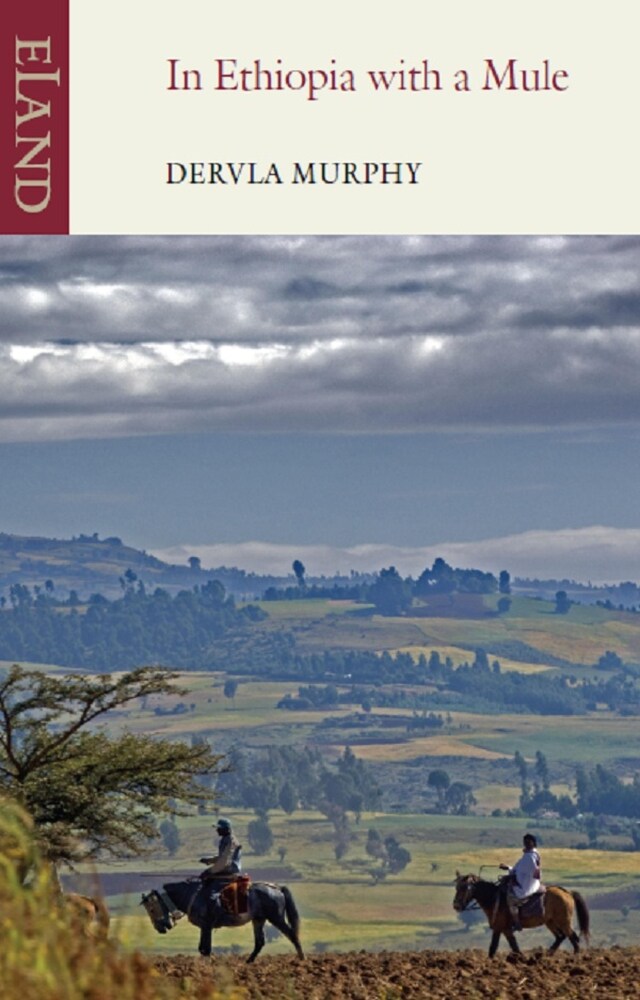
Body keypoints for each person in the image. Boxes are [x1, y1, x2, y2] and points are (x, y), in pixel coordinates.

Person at [499, 833, 542, 931]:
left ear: (533, 843)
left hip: (527, 883)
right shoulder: (528, 854)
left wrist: (512, 875)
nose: (526, 844)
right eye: (525, 842)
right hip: (524, 879)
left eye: (528, 842)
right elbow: (519, 868)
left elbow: (526, 871)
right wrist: (509, 868)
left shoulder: (530, 856)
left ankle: (517, 922)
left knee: (511, 899)